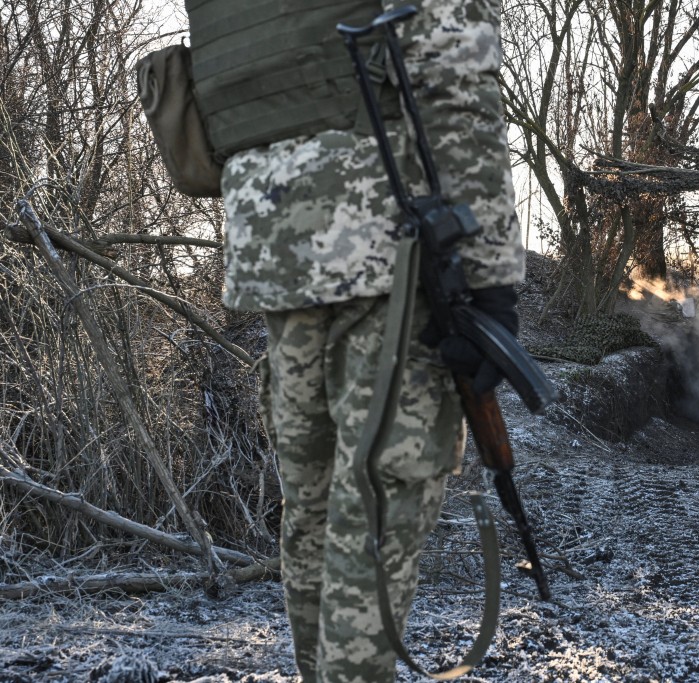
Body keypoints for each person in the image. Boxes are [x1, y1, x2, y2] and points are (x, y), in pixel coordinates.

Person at [186, 1, 525, 680]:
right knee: (380, 497)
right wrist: (490, 280)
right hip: (385, 235)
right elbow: (455, 74)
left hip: (271, 242)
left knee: (313, 503)